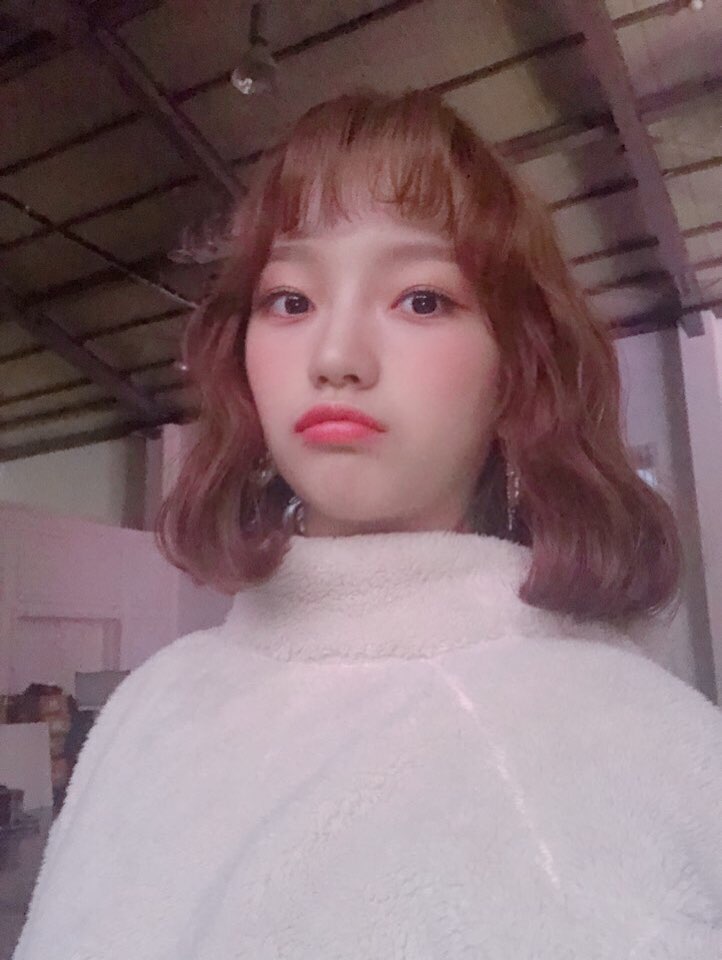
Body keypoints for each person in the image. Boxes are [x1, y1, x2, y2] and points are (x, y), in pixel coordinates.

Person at [13, 91, 722, 959]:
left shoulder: (634, 751)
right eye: (290, 301)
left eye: (421, 299)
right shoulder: (151, 704)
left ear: (517, 368)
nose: (336, 357)